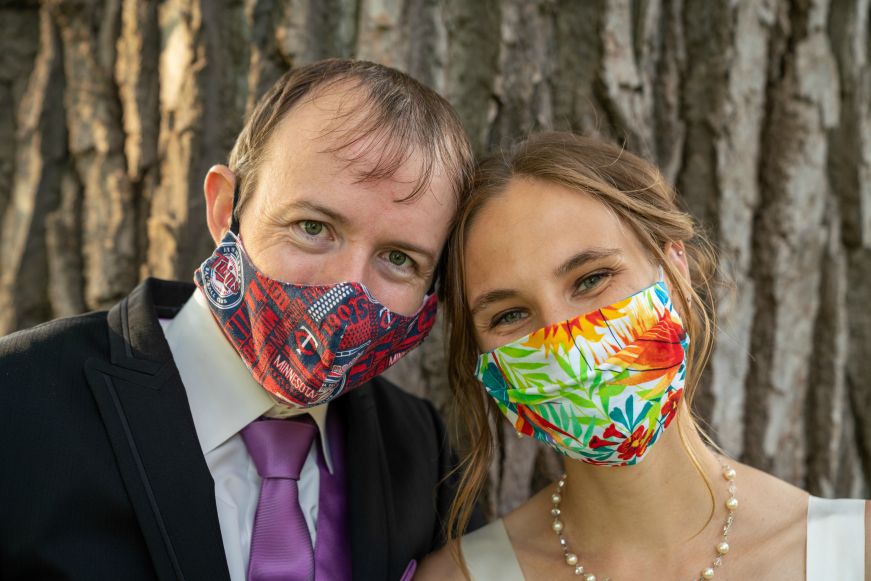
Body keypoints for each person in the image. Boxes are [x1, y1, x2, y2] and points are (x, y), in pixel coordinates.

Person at [0, 59, 481, 581]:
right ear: (224, 207)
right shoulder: (17, 400)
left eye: (398, 259)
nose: (347, 288)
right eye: (313, 226)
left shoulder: (426, 452)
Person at [417, 132, 870, 580]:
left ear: (676, 272)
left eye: (591, 279)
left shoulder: (858, 550)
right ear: (487, 369)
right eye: (510, 314)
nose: (564, 343)